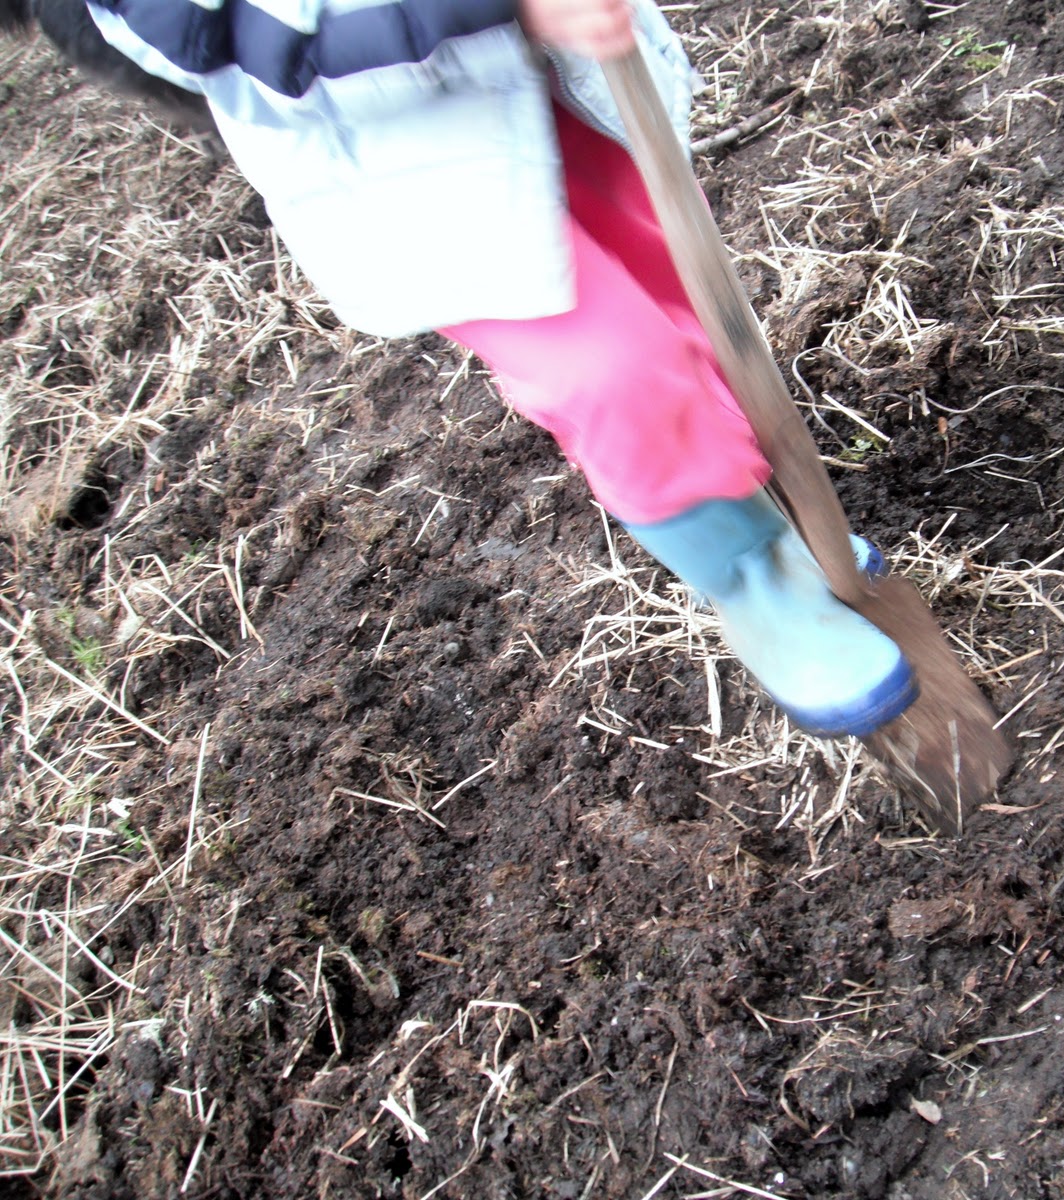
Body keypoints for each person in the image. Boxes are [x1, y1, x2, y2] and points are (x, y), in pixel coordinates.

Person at [76, 0, 918, 736]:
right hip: (404, 165)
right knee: (614, 373)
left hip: (572, 84)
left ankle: (774, 514)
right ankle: (750, 581)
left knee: (682, 297)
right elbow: (210, 25)